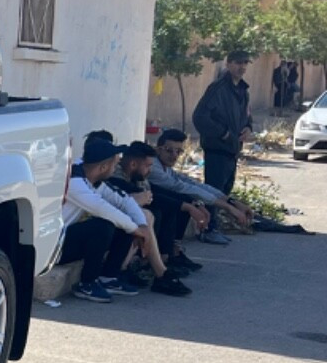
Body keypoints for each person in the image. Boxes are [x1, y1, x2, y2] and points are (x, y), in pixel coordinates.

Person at [60, 139, 149, 303]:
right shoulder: (74, 182)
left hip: (66, 239)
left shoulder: (91, 179)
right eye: (114, 164)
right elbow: (102, 208)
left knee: (124, 222)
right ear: (103, 167)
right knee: (104, 225)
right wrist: (136, 230)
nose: (116, 167)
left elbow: (124, 200)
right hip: (53, 248)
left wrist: (142, 226)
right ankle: (87, 283)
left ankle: (108, 277)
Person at [107, 141, 194, 294]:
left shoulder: (137, 177)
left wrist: (187, 205)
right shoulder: (115, 178)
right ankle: (153, 271)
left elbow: (152, 195)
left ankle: (160, 263)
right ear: (133, 164)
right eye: (147, 166)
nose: (150, 171)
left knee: (163, 210)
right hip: (107, 228)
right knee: (148, 215)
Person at [149, 128, 254, 247]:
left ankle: (173, 250)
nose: (174, 156)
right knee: (183, 202)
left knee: (187, 200)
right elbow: (182, 188)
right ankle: (167, 252)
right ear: (158, 150)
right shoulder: (153, 167)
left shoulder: (165, 167)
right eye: (169, 151)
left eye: (179, 151)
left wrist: (232, 202)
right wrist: (228, 207)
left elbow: (192, 184)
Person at [192, 50, 253, 196]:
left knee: (224, 197)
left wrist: (248, 127)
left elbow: (247, 115)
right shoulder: (218, 88)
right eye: (238, 62)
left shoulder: (243, 91)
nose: (242, 66)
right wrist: (223, 133)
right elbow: (200, 117)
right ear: (228, 64)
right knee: (213, 197)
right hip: (217, 151)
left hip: (232, 152)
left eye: (245, 63)